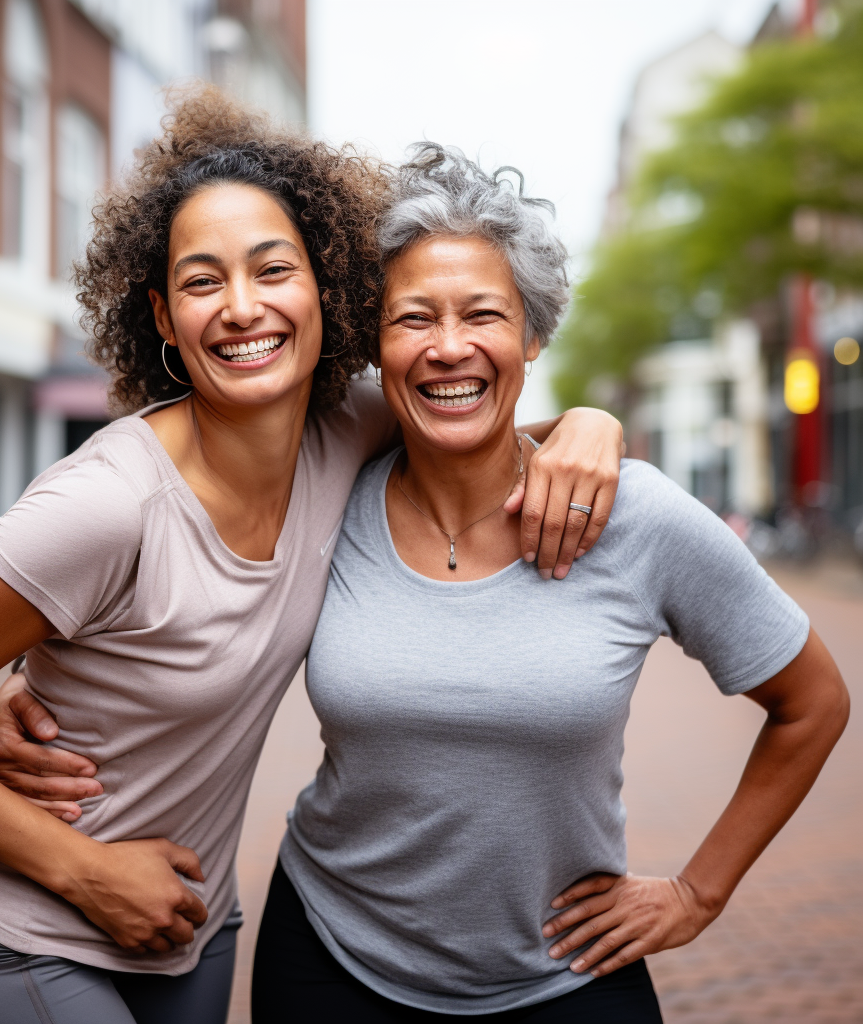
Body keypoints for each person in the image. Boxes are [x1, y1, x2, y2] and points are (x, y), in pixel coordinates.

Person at [0, 91, 624, 1024]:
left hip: (193, 929)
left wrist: (592, 423)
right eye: (203, 282)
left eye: (272, 268)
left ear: (325, 288)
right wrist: (84, 872)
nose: (242, 307)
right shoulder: (106, 504)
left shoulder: (348, 428)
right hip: (23, 931)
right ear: (164, 319)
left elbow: (477, 412)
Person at [245, 145, 849, 1022]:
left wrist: (697, 895)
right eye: (413, 319)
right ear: (377, 343)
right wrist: (35, 681)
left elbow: (814, 702)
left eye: (482, 314)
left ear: (532, 335)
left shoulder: (637, 518)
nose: (448, 347)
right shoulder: (328, 491)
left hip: (564, 972)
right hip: (331, 958)